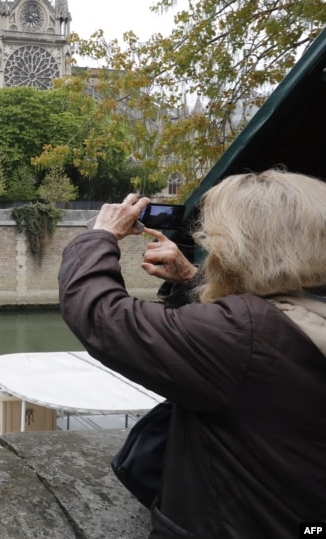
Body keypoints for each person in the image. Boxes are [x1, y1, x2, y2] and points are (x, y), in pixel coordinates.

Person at [59, 169, 326, 538]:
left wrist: (99, 236)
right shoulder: (305, 314)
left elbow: (101, 317)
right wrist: (191, 278)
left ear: (235, 244)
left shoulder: (242, 336)